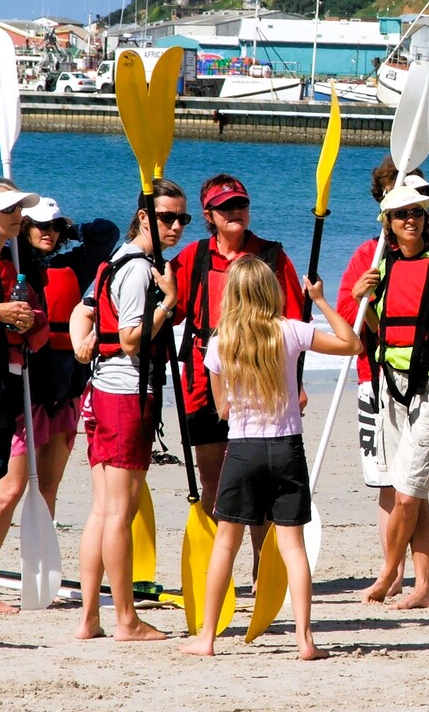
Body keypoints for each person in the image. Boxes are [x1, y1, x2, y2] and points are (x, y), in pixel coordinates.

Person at [178, 255, 362, 659]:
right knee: (292, 547)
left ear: (233, 294)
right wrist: (321, 300)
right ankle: (304, 640)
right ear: (272, 291)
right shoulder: (291, 331)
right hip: (286, 447)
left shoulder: (220, 341)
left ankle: (207, 639)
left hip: (243, 450)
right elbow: (352, 343)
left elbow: (222, 408)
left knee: (226, 544)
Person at [336, 157, 429, 598]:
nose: (410, 217)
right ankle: (421, 583)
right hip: (387, 383)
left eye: (417, 209)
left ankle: (402, 571)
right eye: (400, 210)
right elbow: (364, 327)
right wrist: (356, 299)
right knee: (404, 487)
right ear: (385, 211)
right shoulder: (374, 260)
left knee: (422, 487)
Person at [70, 178, 189, 641]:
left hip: (100, 393)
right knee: (120, 512)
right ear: (144, 218)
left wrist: (83, 344)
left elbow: (85, 309)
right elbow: (130, 339)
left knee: (102, 511)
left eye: (182, 218)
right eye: (166, 217)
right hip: (125, 397)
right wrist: (171, 303)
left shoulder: (114, 259)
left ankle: (89, 619)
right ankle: (125, 619)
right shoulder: (140, 269)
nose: (176, 226)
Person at [172, 174, 304, 584]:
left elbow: (295, 325)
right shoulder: (192, 259)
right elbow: (171, 313)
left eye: (241, 204)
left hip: (261, 381)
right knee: (215, 481)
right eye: (226, 207)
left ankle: (264, 566)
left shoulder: (272, 257)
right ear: (209, 215)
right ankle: (218, 573)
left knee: (261, 483)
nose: (236, 212)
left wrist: (295, 384)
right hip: (202, 379)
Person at [0, 198, 118, 604]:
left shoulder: (77, 262)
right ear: (25, 228)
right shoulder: (16, 263)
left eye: (54, 227)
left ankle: (37, 569)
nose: (47, 233)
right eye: (39, 226)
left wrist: (71, 224)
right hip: (26, 384)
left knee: (48, 485)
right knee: (10, 489)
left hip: (64, 387)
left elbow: (107, 232)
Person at [0, 181, 48, 615]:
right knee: (6, 487)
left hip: (8, 379)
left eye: (19, 208)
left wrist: (30, 319)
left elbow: (33, 328)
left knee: (7, 485)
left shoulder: (13, 260)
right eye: (9, 208)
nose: (18, 215)